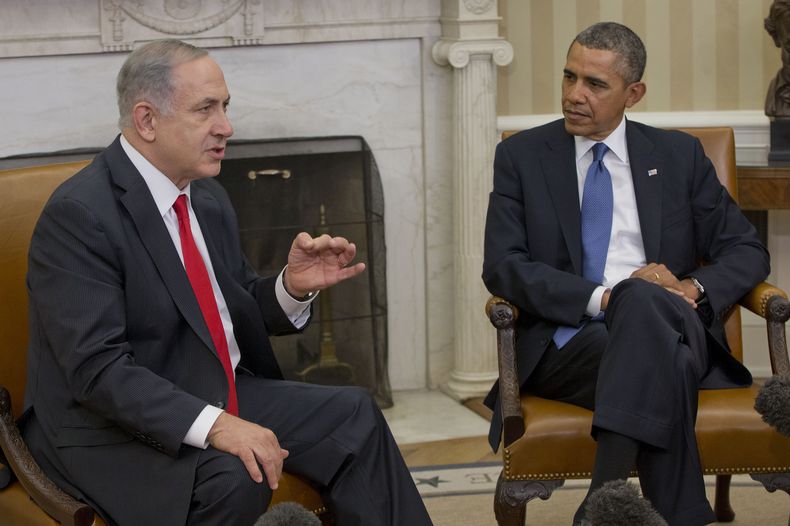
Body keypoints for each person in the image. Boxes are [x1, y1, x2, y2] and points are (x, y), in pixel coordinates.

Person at [22, 39, 431, 526]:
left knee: (355, 414)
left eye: (225, 106)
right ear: (147, 120)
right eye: (205, 109)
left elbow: (228, 309)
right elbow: (97, 370)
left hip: (214, 388)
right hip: (111, 425)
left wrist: (291, 287)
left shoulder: (206, 197)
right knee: (237, 475)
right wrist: (218, 425)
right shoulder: (80, 215)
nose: (226, 127)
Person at [482, 22, 769, 526]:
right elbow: (503, 266)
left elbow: (746, 250)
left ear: (633, 94)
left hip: (673, 322)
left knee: (644, 305)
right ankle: (667, 514)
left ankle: (602, 505)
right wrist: (605, 298)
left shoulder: (677, 157)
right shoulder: (522, 157)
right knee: (662, 350)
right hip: (570, 343)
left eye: (595, 84)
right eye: (569, 77)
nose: (574, 95)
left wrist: (691, 287)